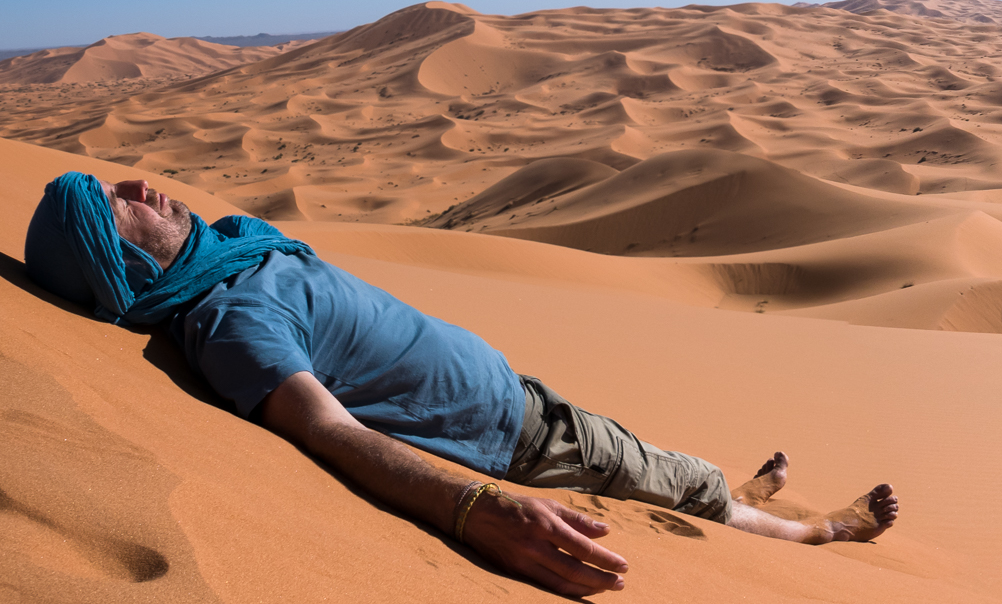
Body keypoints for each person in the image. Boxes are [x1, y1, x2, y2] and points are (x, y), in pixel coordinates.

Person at [21, 173, 900, 596]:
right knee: (664, 474)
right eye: (117, 200)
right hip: (512, 439)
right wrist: (478, 508)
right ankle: (814, 533)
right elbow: (327, 431)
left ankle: (737, 494)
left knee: (644, 457)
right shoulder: (230, 324)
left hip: (514, 396)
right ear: (122, 256)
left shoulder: (235, 252)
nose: (141, 182)